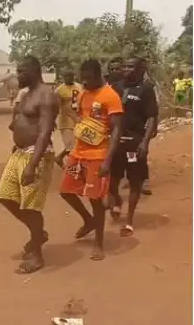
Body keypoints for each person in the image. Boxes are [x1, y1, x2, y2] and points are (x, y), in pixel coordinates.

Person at [0, 56, 58, 274]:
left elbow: (45, 132)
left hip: (36, 155)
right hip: (19, 153)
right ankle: (38, 234)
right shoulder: (27, 94)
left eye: (22, 71)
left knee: (30, 206)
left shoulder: (47, 95)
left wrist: (33, 164)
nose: (18, 75)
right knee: (5, 196)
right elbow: (19, 122)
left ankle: (37, 255)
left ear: (34, 70)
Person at [59, 59, 123, 261]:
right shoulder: (85, 93)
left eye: (88, 78)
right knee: (66, 191)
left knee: (95, 200)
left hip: (98, 155)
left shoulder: (111, 96)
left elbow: (117, 131)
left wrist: (107, 162)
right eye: (83, 79)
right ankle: (88, 221)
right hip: (78, 153)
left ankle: (99, 243)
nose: (84, 82)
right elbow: (81, 118)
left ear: (98, 74)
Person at [107, 57, 158, 236]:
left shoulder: (146, 90)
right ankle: (118, 201)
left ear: (139, 69)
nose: (126, 70)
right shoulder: (114, 88)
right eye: (125, 67)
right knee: (111, 181)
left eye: (131, 67)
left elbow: (151, 117)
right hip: (115, 141)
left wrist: (145, 142)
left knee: (135, 181)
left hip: (134, 142)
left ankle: (128, 221)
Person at [54, 70, 83, 165]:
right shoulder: (59, 90)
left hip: (78, 119)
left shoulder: (79, 87)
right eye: (66, 76)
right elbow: (56, 107)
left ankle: (60, 157)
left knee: (79, 145)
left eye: (70, 76)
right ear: (63, 77)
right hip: (65, 121)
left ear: (74, 76)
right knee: (71, 146)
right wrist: (52, 120)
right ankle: (71, 167)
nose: (68, 78)